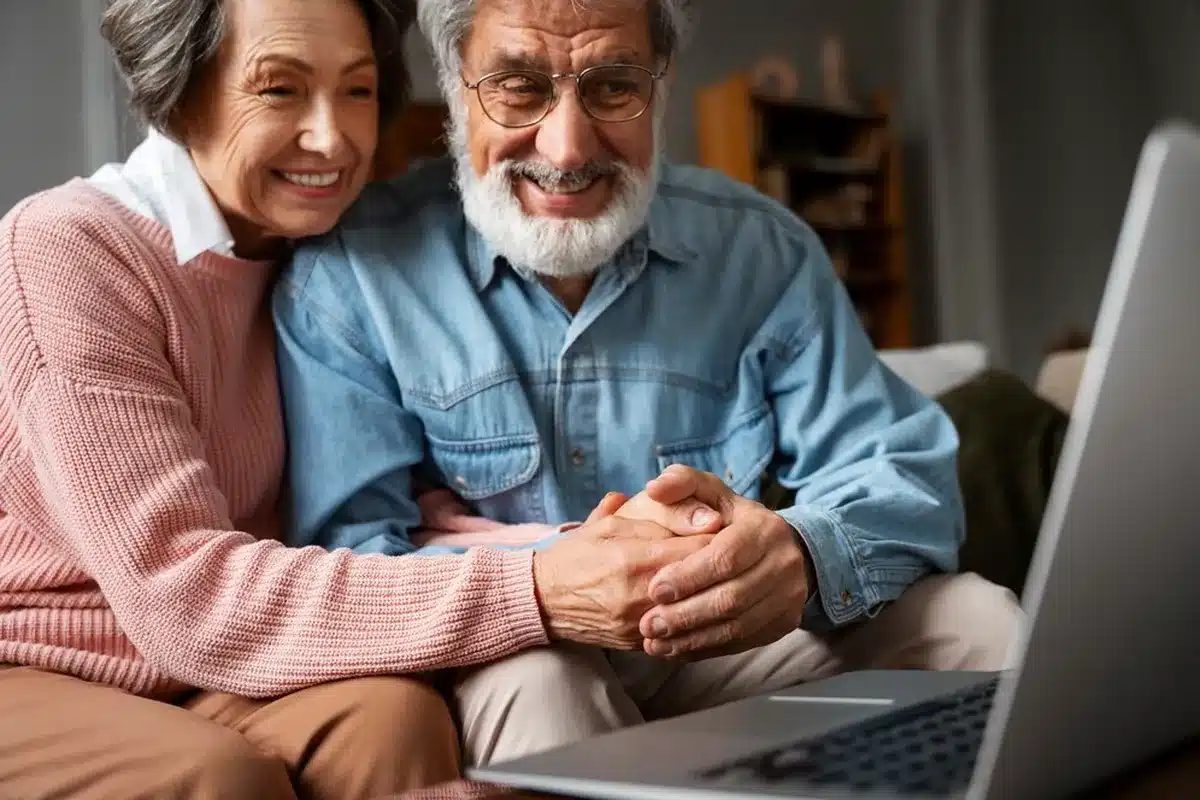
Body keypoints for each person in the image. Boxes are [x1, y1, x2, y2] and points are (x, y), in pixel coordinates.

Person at [272, 0, 1023, 769]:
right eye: (519, 87)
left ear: (661, 86)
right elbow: (349, 560)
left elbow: (907, 475)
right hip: (518, 653)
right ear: (455, 86)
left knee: (978, 623)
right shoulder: (350, 274)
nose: (567, 149)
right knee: (541, 684)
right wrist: (548, 578)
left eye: (612, 88)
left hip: (730, 644)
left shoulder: (762, 249)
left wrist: (800, 553)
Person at [0, 0, 669, 796]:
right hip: (44, 660)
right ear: (179, 92)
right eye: (279, 90)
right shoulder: (71, 250)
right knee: (218, 778)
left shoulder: (316, 253)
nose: (333, 138)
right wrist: (541, 587)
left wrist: (608, 543)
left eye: (357, 91)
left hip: (213, 667)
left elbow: (403, 495)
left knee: (396, 718)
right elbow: (185, 596)